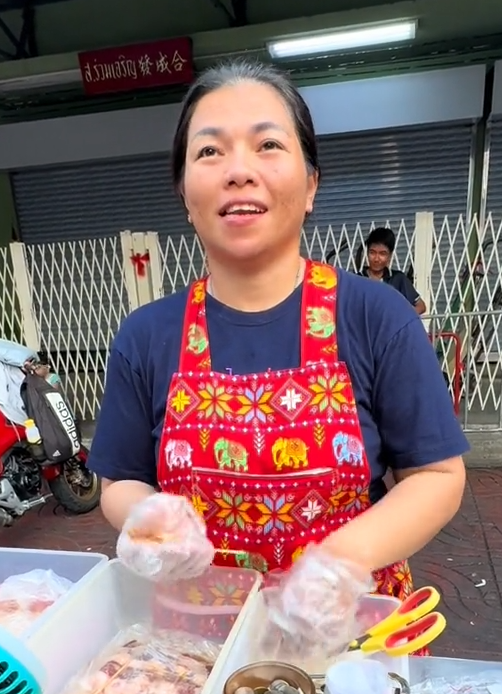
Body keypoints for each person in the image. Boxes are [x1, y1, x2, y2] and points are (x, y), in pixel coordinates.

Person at [88, 59, 469, 657]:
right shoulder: (146, 335)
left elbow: (438, 478)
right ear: (184, 193)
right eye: (209, 152)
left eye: (267, 144)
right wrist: (147, 518)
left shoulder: (375, 316)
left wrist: (343, 560)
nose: (239, 171)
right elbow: (119, 481)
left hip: (350, 644)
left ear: (311, 184)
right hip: (195, 652)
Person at [359, 226, 427, 316]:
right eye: (372, 252)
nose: (376, 259)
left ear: (390, 256)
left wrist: (400, 318)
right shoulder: (358, 279)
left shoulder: (398, 279)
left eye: (382, 254)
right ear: (367, 253)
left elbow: (421, 307)